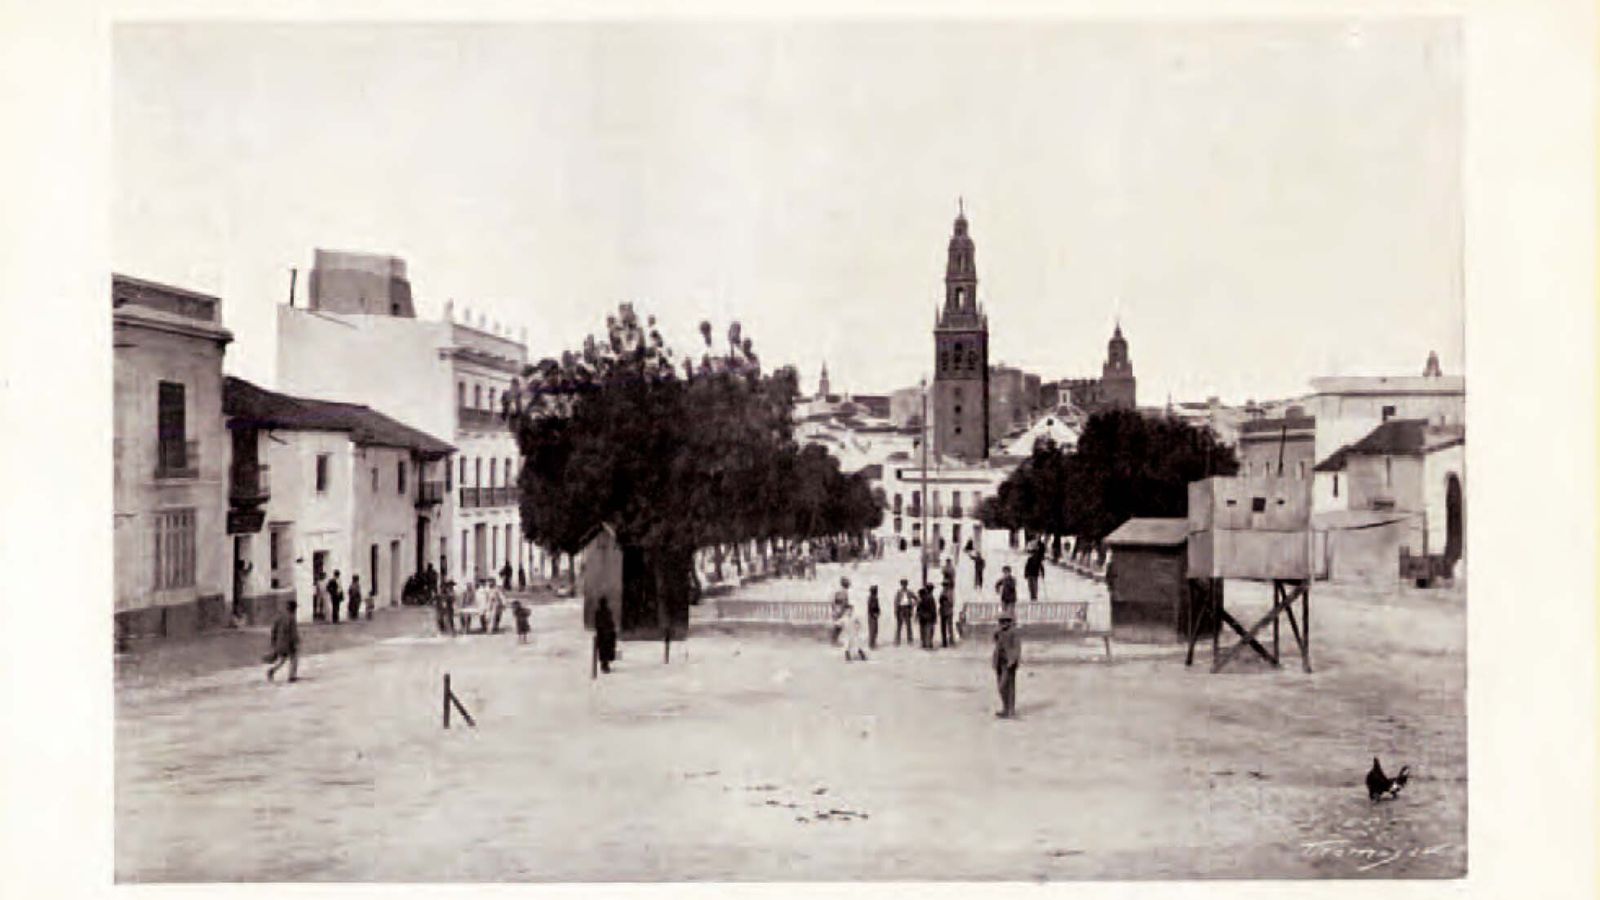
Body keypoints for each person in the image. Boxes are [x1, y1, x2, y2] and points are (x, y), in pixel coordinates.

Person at [992, 612, 1022, 718]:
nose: (1003, 623)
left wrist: (1013, 660)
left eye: (1005, 621)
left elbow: (1017, 648)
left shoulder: (1014, 632)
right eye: (1001, 621)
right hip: (999, 661)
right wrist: (997, 632)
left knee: (1007, 686)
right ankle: (1006, 708)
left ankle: (1011, 710)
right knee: (1001, 686)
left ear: (1010, 622)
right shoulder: (999, 632)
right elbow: (995, 642)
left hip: (1008, 663)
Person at [264, 600, 301, 682]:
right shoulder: (292, 618)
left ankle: (272, 671)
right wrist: (296, 642)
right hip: (288, 643)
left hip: (279, 642)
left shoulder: (280, 617)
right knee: (294, 658)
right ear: (294, 609)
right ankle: (292, 676)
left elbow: (273, 629)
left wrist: (273, 641)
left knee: (282, 659)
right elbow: (293, 632)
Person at [594, 596, 618, 673]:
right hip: (605, 634)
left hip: (604, 634)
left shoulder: (600, 612)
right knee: (605, 650)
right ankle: (605, 665)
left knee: (604, 650)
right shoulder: (606, 612)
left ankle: (605, 664)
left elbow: (598, 624)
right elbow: (608, 622)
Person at [915, 582, 938, 650]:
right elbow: (933, 609)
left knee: (923, 630)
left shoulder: (923, 597)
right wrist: (934, 617)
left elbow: (918, 607)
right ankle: (928, 644)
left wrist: (918, 615)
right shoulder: (931, 598)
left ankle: (924, 643)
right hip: (929, 617)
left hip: (922, 616)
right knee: (929, 630)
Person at [831, 577, 851, 644]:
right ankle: (834, 640)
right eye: (848, 584)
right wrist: (839, 610)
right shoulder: (842, 592)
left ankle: (835, 640)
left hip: (839, 610)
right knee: (838, 626)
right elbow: (841, 602)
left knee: (839, 626)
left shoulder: (842, 591)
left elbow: (841, 602)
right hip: (839, 610)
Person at [938, 581, 955, 648]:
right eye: (944, 585)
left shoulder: (950, 592)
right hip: (943, 611)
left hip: (948, 611)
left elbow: (951, 602)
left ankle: (951, 640)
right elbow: (940, 601)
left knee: (949, 626)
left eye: (946, 585)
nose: (945, 587)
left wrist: (946, 599)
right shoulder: (942, 592)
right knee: (943, 627)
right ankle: (944, 641)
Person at [865, 585, 881, 650]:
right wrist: (874, 614)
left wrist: (878, 612)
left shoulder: (874, 598)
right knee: (872, 630)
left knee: (875, 630)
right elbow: (870, 608)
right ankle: (872, 645)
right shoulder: (871, 598)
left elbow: (877, 607)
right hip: (872, 616)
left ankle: (873, 643)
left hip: (874, 615)